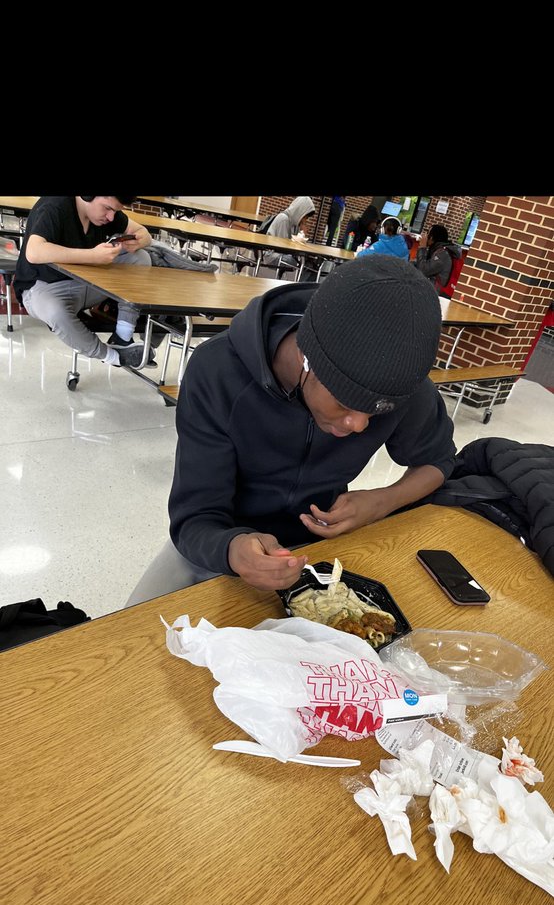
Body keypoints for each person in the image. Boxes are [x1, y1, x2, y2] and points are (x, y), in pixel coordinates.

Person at [126, 255, 456, 605]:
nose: (359, 424)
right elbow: (194, 520)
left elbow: (438, 461)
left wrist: (381, 501)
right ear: (306, 359)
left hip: (324, 545)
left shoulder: (397, 381)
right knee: (128, 641)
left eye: (378, 412)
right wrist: (234, 549)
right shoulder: (217, 372)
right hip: (218, 542)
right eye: (345, 403)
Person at [14, 196, 155, 371]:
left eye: (116, 211)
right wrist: (93, 256)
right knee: (56, 313)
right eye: (107, 209)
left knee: (141, 258)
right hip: (44, 287)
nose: (111, 217)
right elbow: (34, 252)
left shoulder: (107, 211)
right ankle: (113, 356)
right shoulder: (55, 204)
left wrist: (142, 239)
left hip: (87, 282)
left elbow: (143, 232)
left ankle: (122, 337)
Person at [259, 196, 316, 277]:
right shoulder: (284, 219)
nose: (304, 220)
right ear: (299, 211)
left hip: (282, 254)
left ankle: (302, 285)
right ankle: (299, 286)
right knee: (302, 263)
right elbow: (283, 247)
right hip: (272, 256)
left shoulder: (295, 222)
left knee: (309, 263)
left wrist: (301, 233)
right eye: (304, 217)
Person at [413, 224, 462, 294]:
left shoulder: (443, 254)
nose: (426, 237)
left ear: (432, 238)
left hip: (438, 294)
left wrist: (422, 247)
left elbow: (423, 270)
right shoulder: (437, 250)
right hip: (433, 290)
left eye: (428, 234)